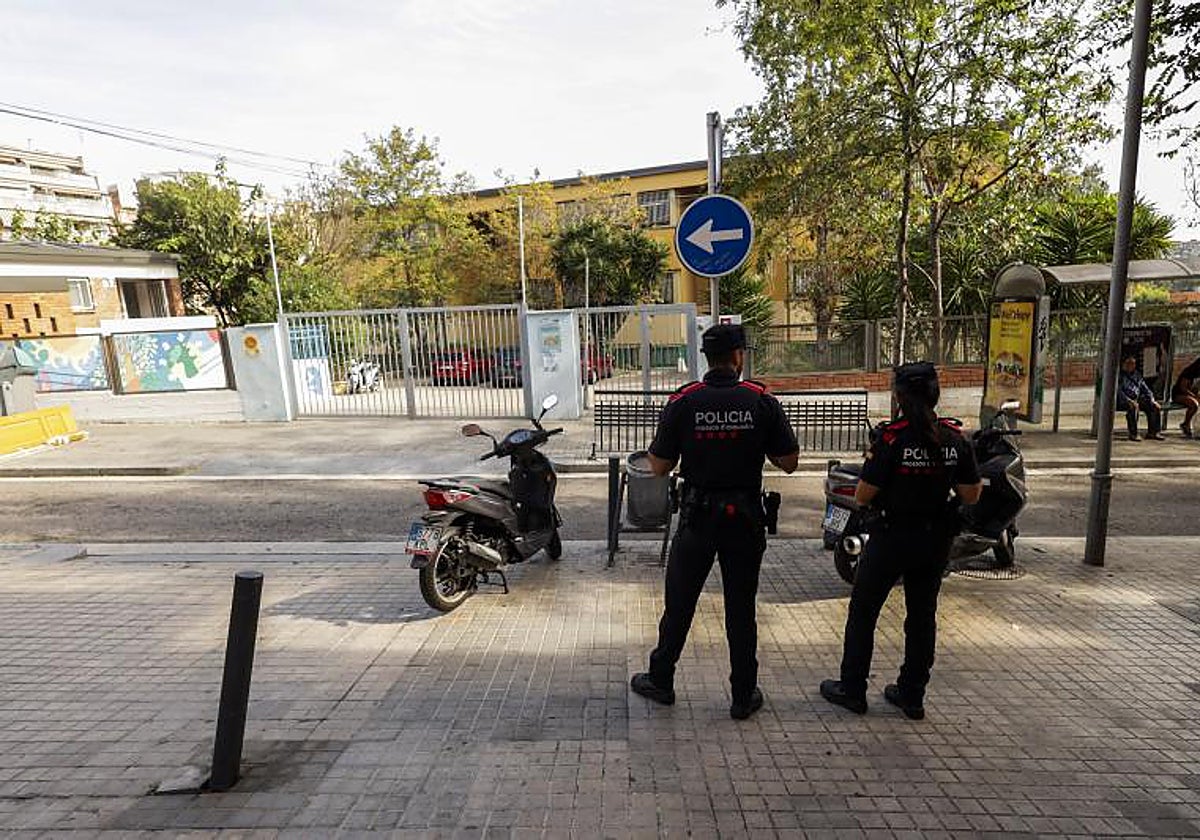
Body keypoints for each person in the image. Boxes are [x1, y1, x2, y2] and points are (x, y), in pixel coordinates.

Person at [630, 323, 799, 720]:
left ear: (706, 358)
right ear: (739, 356)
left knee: (680, 604)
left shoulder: (685, 400)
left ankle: (662, 679)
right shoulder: (760, 400)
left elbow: (658, 466)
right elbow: (789, 462)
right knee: (741, 610)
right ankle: (743, 695)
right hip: (745, 519)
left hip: (698, 519)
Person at [820, 362, 982, 720]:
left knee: (864, 612)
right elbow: (971, 494)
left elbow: (863, 494)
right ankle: (912, 694)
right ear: (935, 394)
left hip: (891, 539)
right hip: (934, 540)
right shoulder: (954, 439)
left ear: (899, 397)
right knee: (922, 617)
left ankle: (853, 689)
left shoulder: (893, 439)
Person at [1118, 355, 1164, 441]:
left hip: (1137, 398)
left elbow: (1146, 389)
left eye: (1133, 363)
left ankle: (1153, 432)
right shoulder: (1119, 376)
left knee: (1154, 406)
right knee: (1133, 407)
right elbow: (1118, 391)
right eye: (1128, 363)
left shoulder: (1137, 375)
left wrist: (1152, 400)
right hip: (1123, 399)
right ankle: (1133, 434)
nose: (1131, 366)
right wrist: (1129, 400)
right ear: (1123, 364)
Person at [1171, 356, 1200, 439]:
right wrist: (1194, 396)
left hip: (1190, 394)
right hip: (1179, 394)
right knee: (1194, 404)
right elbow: (1183, 388)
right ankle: (1186, 424)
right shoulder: (1189, 372)